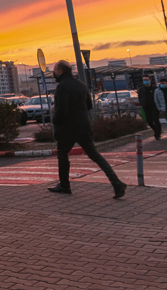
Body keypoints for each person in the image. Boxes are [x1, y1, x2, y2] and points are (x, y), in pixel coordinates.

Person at [47, 61, 127, 198]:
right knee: (95, 155)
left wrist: (55, 120)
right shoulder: (81, 85)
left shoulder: (62, 87)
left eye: (55, 70)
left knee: (62, 154)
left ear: (60, 71)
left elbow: (62, 110)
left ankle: (65, 185)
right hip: (83, 125)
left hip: (67, 128)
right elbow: (89, 105)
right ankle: (117, 183)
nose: (54, 73)